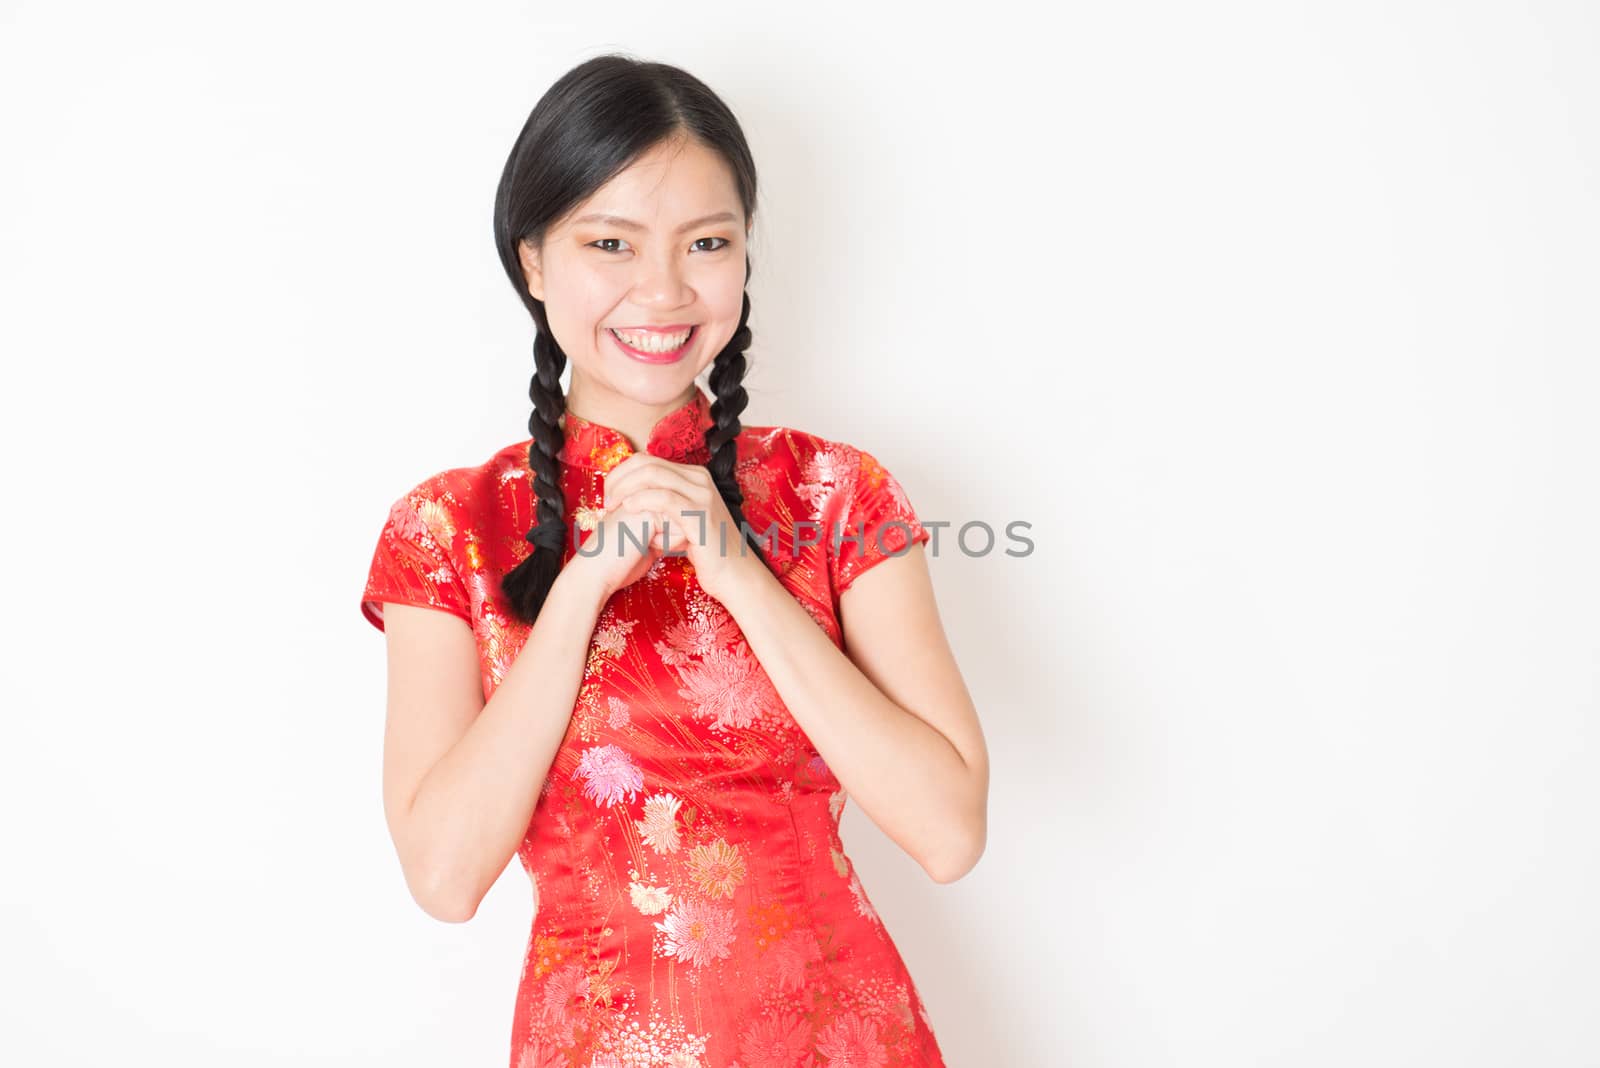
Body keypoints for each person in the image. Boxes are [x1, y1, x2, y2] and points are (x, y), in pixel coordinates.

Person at [358, 53, 989, 1068]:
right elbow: (443, 875)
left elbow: (949, 833)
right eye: (610, 243)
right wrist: (577, 595)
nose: (662, 290)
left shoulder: (837, 496)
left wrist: (738, 570)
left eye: (706, 243)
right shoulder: (447, 528)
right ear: (532, 261)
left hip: (843, 1039)